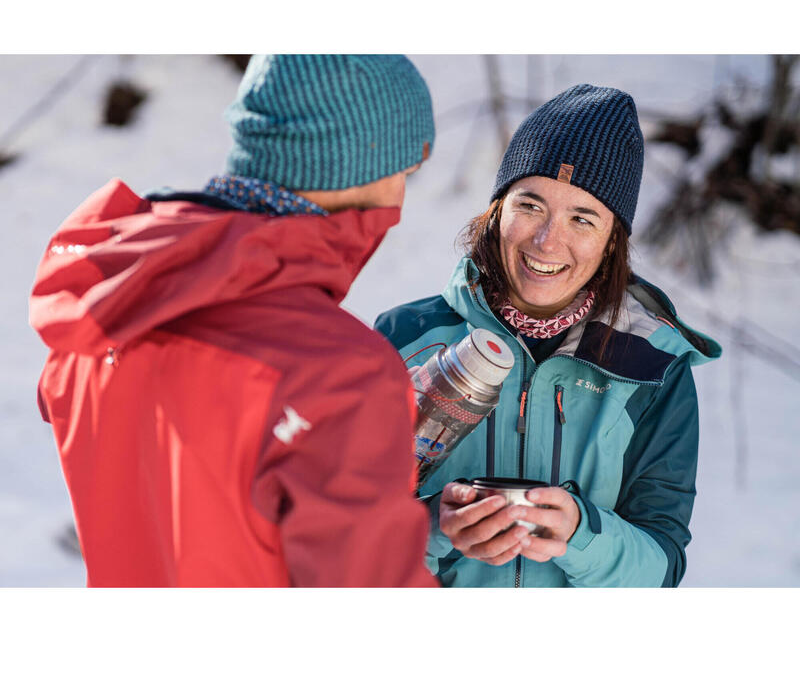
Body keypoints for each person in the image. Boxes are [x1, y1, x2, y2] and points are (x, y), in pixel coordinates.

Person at [30, 54, 438, 587]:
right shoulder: (336, 370)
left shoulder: (108, 303)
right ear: (361, 164)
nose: (400, 196)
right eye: (405, 171)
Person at [376, 83, 722, 588]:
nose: (546, 240)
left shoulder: (653, 366)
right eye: (531, 205)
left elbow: (661, 568)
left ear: (611, 243)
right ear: (497, 211)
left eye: (583, 218)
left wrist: (581, 535)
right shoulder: (405, 337)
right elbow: (341, 538)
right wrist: (435, 528)